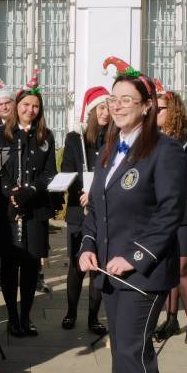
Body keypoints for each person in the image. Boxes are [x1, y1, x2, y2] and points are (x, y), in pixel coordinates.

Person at [78, 67, 186, 373]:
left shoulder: (165, 150)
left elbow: (168, 212)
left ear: (146, 106)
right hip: (108, 270)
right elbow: (96, 209)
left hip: (144, 272)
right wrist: (88, 246)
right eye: (113, 98)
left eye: (127, 99)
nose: (117, 105)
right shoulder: (110, 149)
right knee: (118, 351)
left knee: (133, 353)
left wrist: (136, 256)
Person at [0, 74, 57, 338]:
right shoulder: (0, 134)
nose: (30, 110)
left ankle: (26, 316)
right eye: (26, 105)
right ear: (17, 106)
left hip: (34, 208)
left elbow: (49, 173)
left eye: (35, 106)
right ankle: (12, 317)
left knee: (30, 266)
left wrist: (30, 191)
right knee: (9, 266)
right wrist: (11, 193)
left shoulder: (46, 136)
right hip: (8, 209)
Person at [155, 90, 187, 345]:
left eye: (161, 109)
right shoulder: (151, 138)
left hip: (185, 210)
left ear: (173, 110)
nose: (155, 113)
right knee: (167, 264)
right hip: (160, 211)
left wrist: (163, 178)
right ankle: (171, 319)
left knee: (182, 266)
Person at [60, 86, 109, 335]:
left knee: (97, 265)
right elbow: (68, 169)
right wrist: (81, 189)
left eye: (109, 107)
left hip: (103, 209)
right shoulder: (74, 139)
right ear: (91, 111)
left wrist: (97, 192)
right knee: (77, 266)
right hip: (79, 209)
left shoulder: (115, 139)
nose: (106, 112)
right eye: (102, 107)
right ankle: (70, 312)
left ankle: (93, 317)